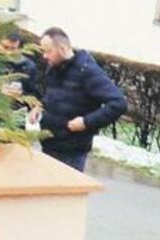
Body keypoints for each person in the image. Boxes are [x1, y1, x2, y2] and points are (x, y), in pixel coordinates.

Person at [32, 27, 127, 172]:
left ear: (62, 48)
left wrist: (86, 122)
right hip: (49, 145)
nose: (44, 56)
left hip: (71, 153)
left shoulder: (88, 71)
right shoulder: (54, 68)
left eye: (48, 51)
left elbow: (118, 104)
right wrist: (39, 107)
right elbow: (53, 94)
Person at [0, 30, 38, 99]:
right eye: (5, 47)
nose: (8, 53)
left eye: (13, 49)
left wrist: (21, 93)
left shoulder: (29, 67)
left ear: (20, 49)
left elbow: (32, 93)